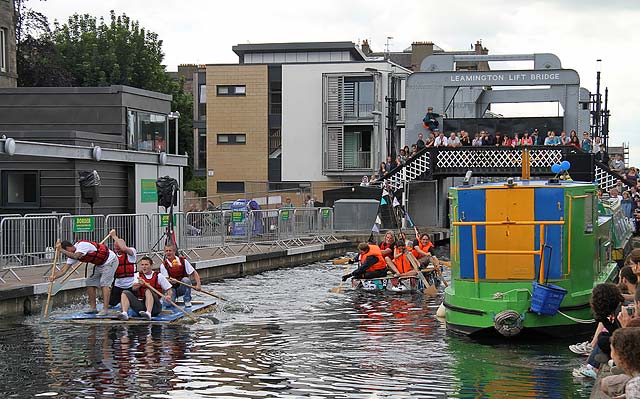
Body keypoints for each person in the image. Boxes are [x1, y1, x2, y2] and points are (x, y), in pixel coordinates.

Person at [51, 238, 118, 315]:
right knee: (90, 282)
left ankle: (105, 309)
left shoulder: (82, 245)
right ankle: (93, 308)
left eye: (65, 252)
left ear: (68, 248)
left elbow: (76, 256)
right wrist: (54, 277)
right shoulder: (71, 255)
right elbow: (64, 270)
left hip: (111, 261)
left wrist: (61, 250)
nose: (65, 254)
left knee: (104, 283)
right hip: (100, 264)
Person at [119, 256, 173, 320]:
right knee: (125, 292)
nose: (144, 267)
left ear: (151, 266)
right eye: (142, 265)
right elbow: (133, 288)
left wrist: (169, 296)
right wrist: (139, 284)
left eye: (146, 265)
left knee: (147, 290)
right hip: (141, 305)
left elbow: (168, 289)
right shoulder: (138, 275)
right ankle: (124, 313)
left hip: (155, 307)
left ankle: (148, 313)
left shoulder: (159, 276)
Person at [108, 230, 137, 307]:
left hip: (130, 285)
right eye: (116, 248)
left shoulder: (131, 253)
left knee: (132, 304)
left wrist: (114, 236)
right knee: (111, 304)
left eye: (119, 248)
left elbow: (124, 248)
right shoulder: (113, 256)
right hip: (118, 285)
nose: (117, 250)